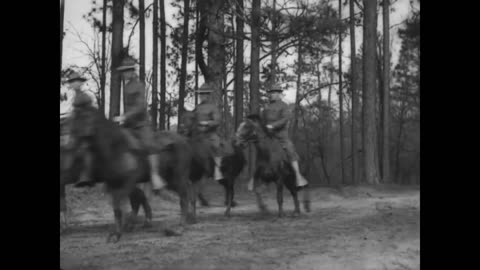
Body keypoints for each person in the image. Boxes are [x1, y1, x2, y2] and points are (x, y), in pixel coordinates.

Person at [113, 56, 168, 194]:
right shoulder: (126, 87)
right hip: (129, 125)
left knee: (150, 146)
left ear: (132, 71)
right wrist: (123, 120)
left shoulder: (139, 85)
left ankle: (155, 175)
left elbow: (140, 106)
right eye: (123, 71)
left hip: (142, 124)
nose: (124, 74)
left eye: (126, 71)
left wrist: (125, 116)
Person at [247, 83, 308, 190]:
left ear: (279, 94)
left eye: (274, 93)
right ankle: (257, 178)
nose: (272, 95)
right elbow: (262, 120)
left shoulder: (284, 106)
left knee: (290, 149)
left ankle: (298, 176)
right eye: (271, 93)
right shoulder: (266, 107)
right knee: (260, 150)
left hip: (281, 136)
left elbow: (285, 119)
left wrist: (273, 125)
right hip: (268, 136)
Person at [65, 72, 95, 187]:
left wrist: (85, 130)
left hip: (86, 129)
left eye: (76, 81)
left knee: (85, 148)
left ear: (80, 83)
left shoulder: (84, 96)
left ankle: (87, 175)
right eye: (72, 82)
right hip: (78, 129)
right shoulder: (75, 96)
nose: (73, 84)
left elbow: (88, 114)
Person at [192, 82, 224, 181]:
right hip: (198, 134)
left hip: (210, 133)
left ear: (208, 95)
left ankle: (217, 170)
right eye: (201, 94)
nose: (202, 96)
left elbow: (217, 121)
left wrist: (207, 123)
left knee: (216, 145)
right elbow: (193, 119)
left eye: (204, 93)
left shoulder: (213, 107)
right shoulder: (197, 108)